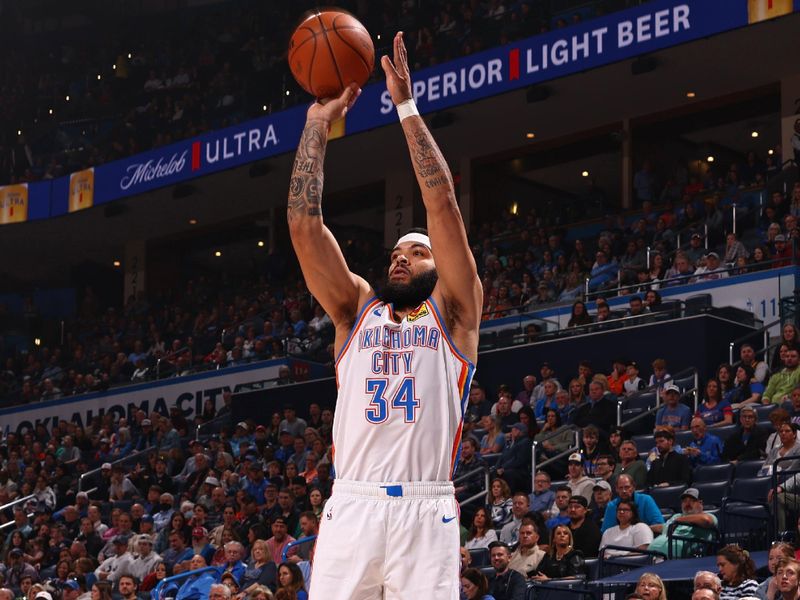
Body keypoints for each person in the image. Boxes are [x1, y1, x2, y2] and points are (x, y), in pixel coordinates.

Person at [288, 33, 481, 600]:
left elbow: (441, 201)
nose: (401, 257)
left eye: (416, 251)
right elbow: (303, 226)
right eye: (396, 252)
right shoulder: (355, 311)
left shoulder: (456, 312)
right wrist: (316, 127)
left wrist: (405, 107)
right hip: (352, 503)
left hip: (426, 509)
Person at [649, 488, 717, 558]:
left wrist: (679, 520)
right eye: (684, 501)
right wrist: (647, 527)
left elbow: (706, 520)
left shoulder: (708, 516)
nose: (687, 504)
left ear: (700, 503)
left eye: (692, 501)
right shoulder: (677, 516)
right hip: (653, 557)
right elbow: (663, 527)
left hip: (680, 559)